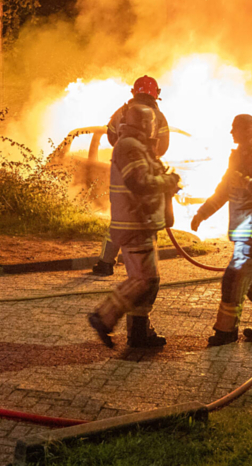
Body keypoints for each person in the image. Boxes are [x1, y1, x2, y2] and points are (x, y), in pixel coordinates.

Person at [87, 104, 180, 348]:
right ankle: (105, 317)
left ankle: (139, 333)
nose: (154, 129)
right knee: (144, 279)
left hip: (140, 222)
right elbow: (139, 182)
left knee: (147, 280)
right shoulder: (129, 146)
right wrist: (167, 180)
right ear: (144, 124)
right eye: (152, 124)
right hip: (134, 223)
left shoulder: (136, 146)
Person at [191, 114, 252, 346]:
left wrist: (251, 184)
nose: (231, 132)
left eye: (235, 129)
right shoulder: (237, 159)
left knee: (233, 281)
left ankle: (226, 332)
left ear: (247, 131)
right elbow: (223, 191)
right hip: (243, 232)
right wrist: (202, 213)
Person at [91, 75, 171, 277]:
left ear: (134, 91)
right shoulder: (158, 117)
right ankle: (143, 270)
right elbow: (163, 147)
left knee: (119, 221)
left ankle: (106, 263)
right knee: (147, 220)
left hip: (120, 176)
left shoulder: (122, 112)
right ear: (156, 94)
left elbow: (110, 135)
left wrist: (123, 148)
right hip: (145, 174)